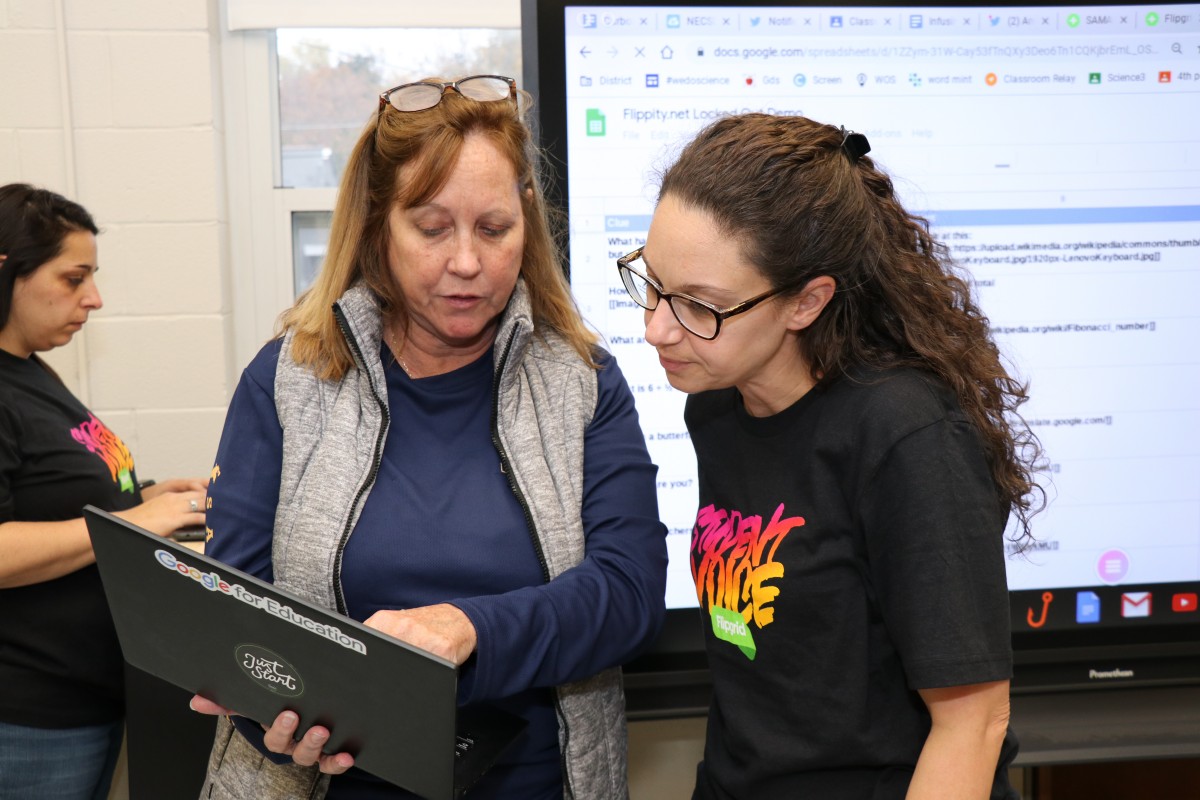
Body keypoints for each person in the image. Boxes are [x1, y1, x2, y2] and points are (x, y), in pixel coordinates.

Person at [190, 75, 667, 800]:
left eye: (494, 228)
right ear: (380, 223)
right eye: (433, 227)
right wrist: (270, 713)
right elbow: (241, 605)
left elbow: (628, 593)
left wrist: (468, 629)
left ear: (528, 220)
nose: (468, 263)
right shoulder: (290, 380)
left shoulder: (581, 383)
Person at [618, 114, 1043, 799]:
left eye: (701, 305)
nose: (656, 327)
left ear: (807, 302)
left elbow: (974, 722)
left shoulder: (906, 436)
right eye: (653, 283)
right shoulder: (719, 401)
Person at [0, 183, 209, 800]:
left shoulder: (30, 368)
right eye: (73, 279)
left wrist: (143, 498)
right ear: (7, 272)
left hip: (84, 696)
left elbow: (51, 497)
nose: (93, 298)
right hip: (28, 716)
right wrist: (132, 525)